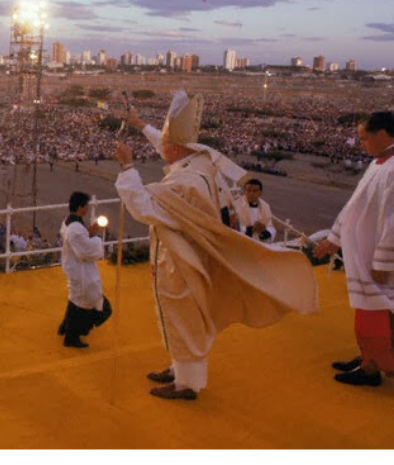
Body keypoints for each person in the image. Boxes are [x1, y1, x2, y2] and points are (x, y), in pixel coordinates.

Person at [114, 90, 317, 401]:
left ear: (178, 148)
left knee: (184, 315)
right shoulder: (198, 163)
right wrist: (141, 125)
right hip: (185, 254)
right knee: (179, 315)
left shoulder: (186, 182)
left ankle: (187, 384)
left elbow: (143, 208)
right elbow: (168, 147)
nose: (161, 148)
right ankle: (179, 368)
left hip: (182, 259)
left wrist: (128, 169)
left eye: (166, 144)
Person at [314, 111, 394, 387]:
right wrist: (334, 239)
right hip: (365, 256)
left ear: (383, 133)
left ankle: (373, 366)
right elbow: (355, 206)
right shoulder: (379, 164)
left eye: (364, 138)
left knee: (377, 319)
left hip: (380, 262)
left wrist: (385, 263)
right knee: (365, 313)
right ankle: (366, 359)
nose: (362, 144)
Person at [56, 191, 112, 348]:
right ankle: (72, 336)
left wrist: (89, 233)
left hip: (74, 267)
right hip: (81, 270)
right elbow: (85, 251)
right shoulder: (75, 228)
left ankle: (66, 327)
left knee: (76, 300)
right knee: (88, 303)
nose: (88, 209)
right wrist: (96, 239)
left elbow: (80, 241)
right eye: (86, 206)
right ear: (81, 207)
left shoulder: (69, 222)